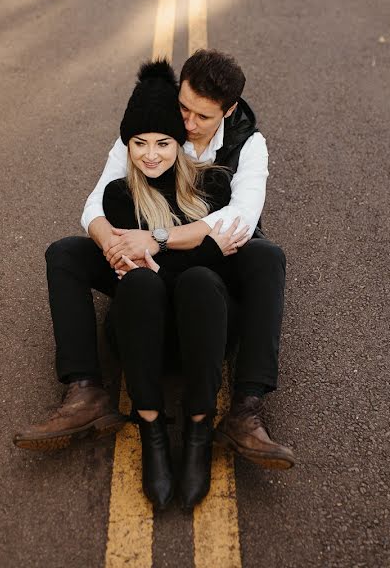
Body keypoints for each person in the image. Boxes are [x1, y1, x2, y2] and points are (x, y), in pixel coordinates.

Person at [14, 50, 294, 470]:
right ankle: (85, 390)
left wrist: (157, 239)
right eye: (183, 107)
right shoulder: (152, 120)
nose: (187, 123)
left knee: (267, 256)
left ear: (228, 110)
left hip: (213, 259)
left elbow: (240, 218)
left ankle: (246, 410)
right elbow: (97, 201)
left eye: (203, 117)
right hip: (143, 253)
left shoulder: (248, 142)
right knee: (65, 254)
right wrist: (115, 244)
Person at [103, 60, 239, 509]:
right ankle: (151, 427)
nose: (151, 154)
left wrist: (169, 251)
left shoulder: (213, 188)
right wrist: (202, 246)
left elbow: (199, 273)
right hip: (148, 337)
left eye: (163, 142)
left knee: (199, 281)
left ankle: (199, 424)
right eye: (138, 143)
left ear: (180, 144)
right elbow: (147, 274)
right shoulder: (118, 197)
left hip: (201, 331)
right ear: (126, 147)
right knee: (143, 284)